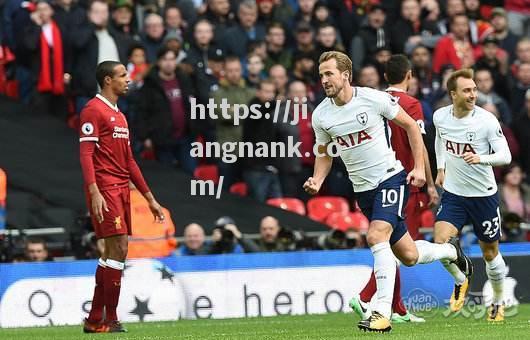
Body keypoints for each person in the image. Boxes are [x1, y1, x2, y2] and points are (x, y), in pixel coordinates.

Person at [303, 51, 471, 333]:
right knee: (408, 255)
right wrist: (318, 180)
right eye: (321, 75)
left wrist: (418, 168)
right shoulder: (321, 114)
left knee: (376, 235)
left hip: (390, 179)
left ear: (345, 75)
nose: (324, 80)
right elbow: (324, 152)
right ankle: (450, 252)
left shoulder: (372, 98)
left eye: (329, 73)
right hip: (364, 190)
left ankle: (381, 312)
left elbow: (411, 129)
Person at [349, 54, 439, 324]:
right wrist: (430, 182)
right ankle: (366, 297)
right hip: (405, 182)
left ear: (385, 77)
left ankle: (397, 307)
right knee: (401, 248)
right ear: (409, 76)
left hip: (371, 181)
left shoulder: (370, 100)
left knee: (388, 242)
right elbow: (419, 143)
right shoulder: (411, 104)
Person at [79, 61, 165, 333]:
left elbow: (129, 162)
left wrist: (150, 198)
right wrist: (94, 191)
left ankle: (95, 318)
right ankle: (110, 318)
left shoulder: (120, 116)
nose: (128, 79)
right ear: (107, 80)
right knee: (119, 249)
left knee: (114, 252)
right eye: (123, 75)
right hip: (105, 189)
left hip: (122, 189)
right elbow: (86, 154)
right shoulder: (92, 110)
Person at [433, 68, 512, 321]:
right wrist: (441, 167)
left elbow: (506, 156)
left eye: (475, 89)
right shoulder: (440, 116)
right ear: (453, 93)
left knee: (490, 253)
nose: (473, 94)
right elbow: (439, 140)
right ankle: (460, 278)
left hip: (483, 196)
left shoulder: (487, 120)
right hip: (454, 193)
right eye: (467, 90)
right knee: (440, 244)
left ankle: (498, 303)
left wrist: (481, 158)